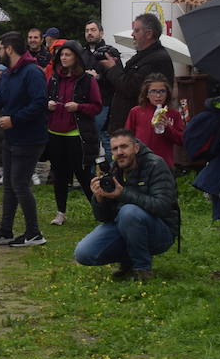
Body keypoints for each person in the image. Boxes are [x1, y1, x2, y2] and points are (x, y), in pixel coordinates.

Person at [73, 129, 179, 281]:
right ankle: (128, 262)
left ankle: (143, 270)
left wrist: (122, 194)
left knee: (129, 212)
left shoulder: (155, 165)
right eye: (115, 149)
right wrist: (99, 198)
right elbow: (104, 218)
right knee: (84, 253)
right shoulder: (113, 169)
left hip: (161, 231)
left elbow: (163, 206)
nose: (119, 152)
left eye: (124, 147)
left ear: (136, 148)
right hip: (127, 226)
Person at [0, 31, 49, 247]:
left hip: (30, 137)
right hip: (11, 138)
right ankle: (6, 230)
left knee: (20, 184)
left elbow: (39, 103)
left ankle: (34, 233)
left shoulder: (32, 73)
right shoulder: (8, 74)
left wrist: (14, 119)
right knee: (9, 185)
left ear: (9, 49)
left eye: (1, 48)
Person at [45, 41, 102, 226]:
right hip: (55, 132)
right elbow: (43, 99)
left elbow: (97, 107)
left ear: (76, 57)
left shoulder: (87, 80)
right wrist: (48, 105)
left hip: (76, 134)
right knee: (59, 175)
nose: (63, 58)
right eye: (61, 55)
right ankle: (60, 212)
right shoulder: (54, 79)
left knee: (84, 174)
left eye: (67, 55)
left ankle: (100, 210)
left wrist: (79, 107)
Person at [98, 13, 175, 132]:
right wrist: (116, 66)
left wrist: (113, 68)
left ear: (149, 33)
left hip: (139, 128)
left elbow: (130, 88)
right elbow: (127, 80)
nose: (132, 34)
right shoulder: (146, 56)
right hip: (129, 124)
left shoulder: (157, 60)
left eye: (136, 30)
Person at [126, 74, 184, 170]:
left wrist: (168, 128)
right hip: (140, 164)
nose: (158, 95)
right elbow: (127, 138)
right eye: (153, 91)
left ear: (167, 93)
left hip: (164, 164)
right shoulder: (136, 112)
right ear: (147, 94)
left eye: (162, 91)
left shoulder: (173, 114)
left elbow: (181, 140)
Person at [84, 18, 114, 163]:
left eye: (93, 30)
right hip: (85, 103)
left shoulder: (109, 52)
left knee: (104, 138)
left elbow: (116, 77)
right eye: (87, 30)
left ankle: (114, 174)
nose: (90, 33)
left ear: (101, 33)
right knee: (88, 140)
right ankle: (88, 177)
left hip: (103, 102)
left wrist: (98, 77)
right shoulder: (81, 54)